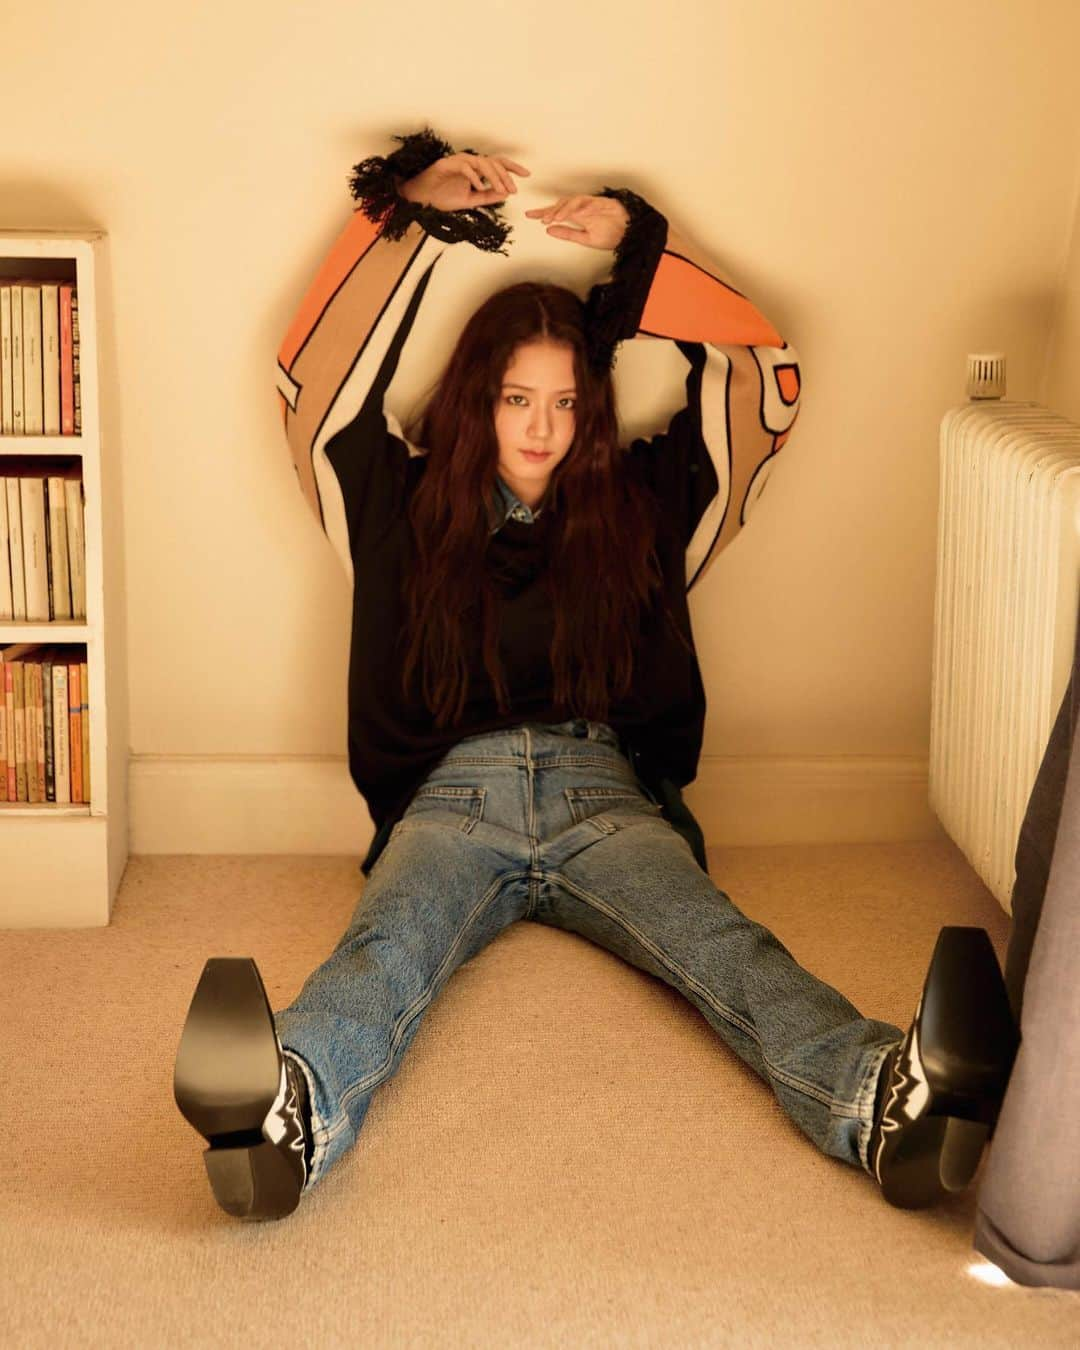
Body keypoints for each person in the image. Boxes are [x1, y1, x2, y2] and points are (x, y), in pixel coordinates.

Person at [173, 127, 1018, 1222]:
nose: (543, 427)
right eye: (519, 399)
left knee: (722, 944)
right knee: (389, 949)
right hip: (453, 798)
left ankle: (883, 1103)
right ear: (478, 399)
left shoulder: (643, 508)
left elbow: (769, 380)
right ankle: (286, 1115)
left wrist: (643, 255)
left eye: (568, 401)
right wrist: (411, 215)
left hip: (603, 795)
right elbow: (313, 392)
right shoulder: (402, 507)